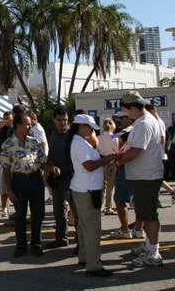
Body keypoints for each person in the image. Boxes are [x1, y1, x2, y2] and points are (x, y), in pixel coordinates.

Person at [0, 113, 60, 257]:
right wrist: (9, 190)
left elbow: (42, 162)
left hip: (35, 180)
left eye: (30, 124)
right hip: (19, 181)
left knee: (38, 213)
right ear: (18, 125)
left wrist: (51, 168)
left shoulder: (34, 142)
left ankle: (36, 243)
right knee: (20, 214)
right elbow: (6, 170)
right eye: (27, 124)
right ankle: (21, 245)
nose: (30, 126)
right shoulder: (8, 144)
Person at [116, 91, 164, 267]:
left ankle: (154, 253)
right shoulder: (144, 121)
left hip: (147, 175)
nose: (124, 113)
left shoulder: (144, 123)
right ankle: (150, 245)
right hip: (143, 174)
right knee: (144, 212)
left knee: (149, 214)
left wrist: (119, 160)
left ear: (133, 108)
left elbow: (136, 150)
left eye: (125, 109)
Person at [68, 114, 116, 277]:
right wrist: (108, 159)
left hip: (84, 188)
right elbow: (89, 166)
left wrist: (104, 160)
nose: (91, 130)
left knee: (83, 225)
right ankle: (94, 264)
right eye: (89, 127)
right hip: (87, 189)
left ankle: (84, 257)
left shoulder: (80, 142)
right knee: (92, 228)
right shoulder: (80, 143)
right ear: (82, 126)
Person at [45, 106, 75, 250]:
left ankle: (81, 242)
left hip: (69, 176)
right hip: (56, 177)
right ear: (54, 120)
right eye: (59, 120)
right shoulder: (53, 135)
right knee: (58, 210)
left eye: (65, 120)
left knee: (75, 210)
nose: (62, 123)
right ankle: (61, 237)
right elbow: (51, 154)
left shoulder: (72, 135)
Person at [96, 118, 119, 215]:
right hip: (111, 162)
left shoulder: (99, 138)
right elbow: (117, 151)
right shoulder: (114, 138)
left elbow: (97, 150)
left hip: (101, 161)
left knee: (102, 186)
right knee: (110, 186)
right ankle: (108, 206)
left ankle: (100, 205)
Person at [0, 111, 13, 218]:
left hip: (14, 160)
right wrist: (6, 121)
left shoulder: (16, 128)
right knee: (3, 186)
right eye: (4, 118)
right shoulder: (3, 129)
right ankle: (4, 209)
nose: (7, 120)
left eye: (9, 118)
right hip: (4, 159)